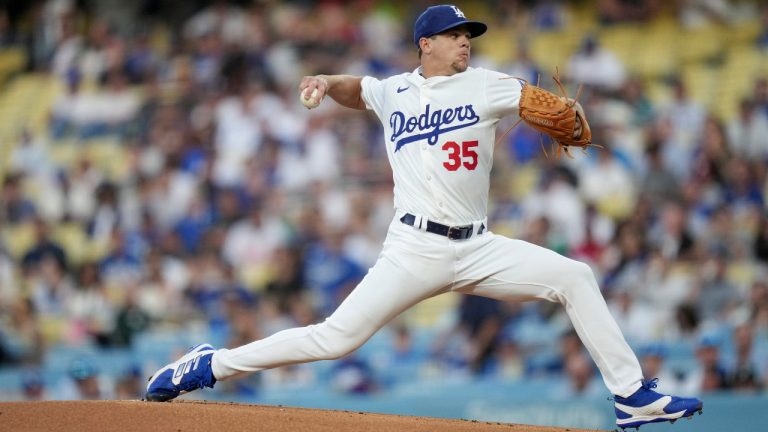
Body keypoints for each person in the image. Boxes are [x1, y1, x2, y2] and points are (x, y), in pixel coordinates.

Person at [145, 5, 703, 430]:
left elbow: (556, 113)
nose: (466, 42)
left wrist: (571, 118)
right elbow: (355, 89)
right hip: (414, 249)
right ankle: (210, 365)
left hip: (479, 247)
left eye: (469, 36)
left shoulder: (488, 84)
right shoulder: (395, 92)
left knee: (576, 277)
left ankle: (631, 397)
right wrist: (322, 80)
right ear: (426, 43)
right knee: (334, 339)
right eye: (457, 35)